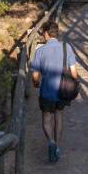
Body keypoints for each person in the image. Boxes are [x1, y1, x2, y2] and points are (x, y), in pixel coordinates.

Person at [30, 21, 79, 163]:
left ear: (46, 33)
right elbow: (74, 73)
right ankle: (57, 146)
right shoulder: (66, 47)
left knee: (47, 118)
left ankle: (50, 141)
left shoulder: (40, 51)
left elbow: (34, 76)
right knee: (59, 116)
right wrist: (75, 84)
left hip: (47, 90)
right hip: (63, 90)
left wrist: (36, 84)